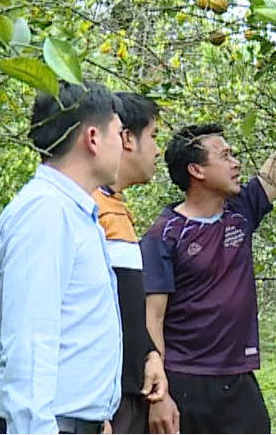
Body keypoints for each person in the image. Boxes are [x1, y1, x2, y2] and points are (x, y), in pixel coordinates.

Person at [142, 55, 276, 434]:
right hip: (185, 381)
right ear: (197, 170)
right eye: (226, 156)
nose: (237, 163)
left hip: (238, 382)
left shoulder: (242, 210)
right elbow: (152, 318)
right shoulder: (164, 234)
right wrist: (161, 397)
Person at [0, 81, 125, 434]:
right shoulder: (46, 212)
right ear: (93, 137)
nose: (124, 145)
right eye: (120, 133)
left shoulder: (72, 212)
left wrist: (94, 414)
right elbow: (30, 342)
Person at [93, 93, 168, 434]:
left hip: (127, 394)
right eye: (152, 136)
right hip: (105, 401)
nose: (156, 150)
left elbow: (126, 310)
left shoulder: (118, 209)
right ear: (126, 138)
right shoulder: (88, 211)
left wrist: (150, 355)